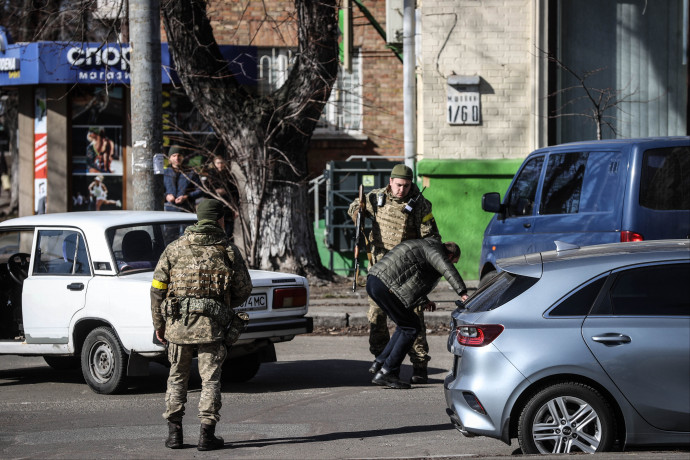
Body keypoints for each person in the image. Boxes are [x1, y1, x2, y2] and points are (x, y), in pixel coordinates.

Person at [150, 199, 252, 451]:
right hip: (212, 327)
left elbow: (157, 290)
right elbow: (244, 289)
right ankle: (207, 436)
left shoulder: (173, 249)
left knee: (176, 378)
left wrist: (159, 323)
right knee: (211, 381)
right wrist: (224, 303)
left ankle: (174, 434)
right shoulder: (228, 250)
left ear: (198, 218)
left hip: (177, 326)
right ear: (219, 220)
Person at [347, 163, 440, 384]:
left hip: (406, 272)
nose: (402, 190)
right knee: (377, 317)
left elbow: (431, 238)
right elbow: (353, 208)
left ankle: (419, 365)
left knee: (413, 318)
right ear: (390, 182)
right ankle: (383, 363)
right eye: (398, 185)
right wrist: (357, 212)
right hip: (380, 269)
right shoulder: (375, 198)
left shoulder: (420, 205)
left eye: (407, 185)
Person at [367, 239, 468, 389]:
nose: (453, 265)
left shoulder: (425, 246)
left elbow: (410, 278)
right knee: (411, 327)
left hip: (375, 281)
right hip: (385, 286)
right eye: (454, 261)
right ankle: (388, 372)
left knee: (405, 323)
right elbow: (446, 268)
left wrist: (423, 299)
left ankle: (380, 362)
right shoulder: (435, 252)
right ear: (449, 255)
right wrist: (463, 293)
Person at [200, 155, 239, 239]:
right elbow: (204, 191)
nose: (220, 165)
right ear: (214, 164)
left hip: (228, 206)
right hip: (214, 206)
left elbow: (235, 192)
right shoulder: (210, 176)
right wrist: (216, 192)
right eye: (218, 163)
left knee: (228, 232)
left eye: (222, 163)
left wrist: (236, 209)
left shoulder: (229, 176)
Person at [164, 145, 203, 212]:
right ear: (169, 158)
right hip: (168, 210)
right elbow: (157, 191)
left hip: (186, 210)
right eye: (174, 156)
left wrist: (186, 197)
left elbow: (201, 190)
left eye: (179, 155)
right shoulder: (164, 173)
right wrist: (166, 196)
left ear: (183, 157)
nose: (177, 158)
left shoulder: (191, 173)